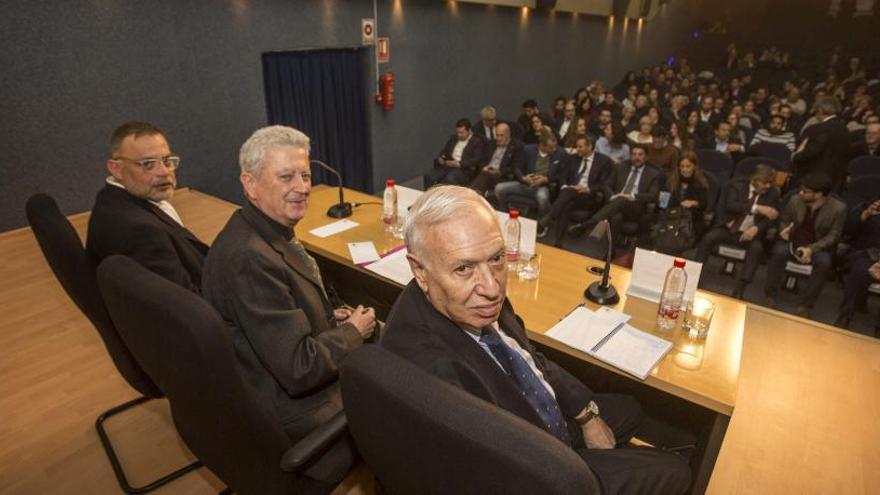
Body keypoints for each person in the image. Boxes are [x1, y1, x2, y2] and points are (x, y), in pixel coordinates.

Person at [381, 185, 692, 495]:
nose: (492, 288)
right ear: (419, 271)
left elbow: (528, 356)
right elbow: (500, 474)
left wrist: (585, 414)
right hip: (535, 468)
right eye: (464, 268)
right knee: (675, 471)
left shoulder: (465, 301)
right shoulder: (432, 373)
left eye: (496, 258)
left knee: (632, 408)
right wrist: (579, 468)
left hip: (536, 418)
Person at [201, 126, 377, 488]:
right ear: (250, 185)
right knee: (405, 394)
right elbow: (299, 369)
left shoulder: (258, 232)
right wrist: (351, 332)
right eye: (286, 176)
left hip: (266, 380)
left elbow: (284, 313)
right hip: (295, 414)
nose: (302, 186)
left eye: (306, 174)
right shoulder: (251, 259)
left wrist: (328, 319)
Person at [87, 121, 209, 294]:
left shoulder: (109, 199)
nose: (164, 172)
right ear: (116, 169)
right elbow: (186, 303)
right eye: (148, 164)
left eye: (167, 161)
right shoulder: (140, 232)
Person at [763, 173, 847, 317]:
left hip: (818, 245)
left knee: (824, 263)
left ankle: (806, 305)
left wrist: (811, 249)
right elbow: (784, 220)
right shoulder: (795, 200)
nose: (800, 193)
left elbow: (834, 235)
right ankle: (769, 295)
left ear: (819, 194)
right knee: (779, 252)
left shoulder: (839, 208)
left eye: (805, 191)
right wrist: (784, 229)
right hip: (793, 241)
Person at [693, 164, 780, 299]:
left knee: (757, 249)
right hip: (728, 228)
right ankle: (694, 277)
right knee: (708, 238)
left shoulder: (773, 193)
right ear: (755, 180)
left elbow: (771, 218)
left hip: (749, 232)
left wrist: (757, 229)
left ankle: (740, 288)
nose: (768, 186)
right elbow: (731, 205)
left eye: (770, 183)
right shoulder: (735, 186)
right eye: (765, 182)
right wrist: (757, 208)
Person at [568, 144, 662, 247]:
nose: (637, 157)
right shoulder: (621, 167)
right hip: (616, 205)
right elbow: (607, 185)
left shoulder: (654, 173)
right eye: (634, 154)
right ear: (630, 156)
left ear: (646, 157)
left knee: (621, 199)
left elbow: (653, 195)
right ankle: (610, 252)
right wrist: (613, 196)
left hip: (635, 208)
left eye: (640, 155)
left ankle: (588, 224)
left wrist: (631, 196)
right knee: (616, 217)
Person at [539, 134, 613, 244]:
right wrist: (564, 186)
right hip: (570, 194)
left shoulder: (603, 161)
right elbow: (563, 176)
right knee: (566, 204)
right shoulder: (573, 158)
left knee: (567, 195)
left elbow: (604, 184)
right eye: (576, 146)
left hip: (589, 196)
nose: (577, 149)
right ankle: (558, 242)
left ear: (590, 146)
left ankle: (548, 218)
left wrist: (588, 189)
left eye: (580, 147)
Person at [495, 131, 565, 221]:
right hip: (525, 183)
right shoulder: (528, 150)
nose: (554, 149)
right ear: (542, 145)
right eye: (551, 147)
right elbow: (516, 167)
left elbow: (561, 175)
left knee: (542, 198)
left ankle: (542, 223)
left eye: (555, 146)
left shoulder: (560, 154)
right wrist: (523, 178)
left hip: (542, 186)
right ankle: (505, 215)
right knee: (499, 188)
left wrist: (546, 179)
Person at [835, 196, 880, 334]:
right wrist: (864, 216)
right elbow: (847, 232)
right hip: (866, 254)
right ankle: (845, 315)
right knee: (859, 271)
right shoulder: (866, 207)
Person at [792, 96, 851, 190]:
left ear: (821, 110)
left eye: (816, 110)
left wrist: (796, 157)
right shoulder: (844, 129)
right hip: (836, 178)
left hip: (817, 179)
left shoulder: (822, 128)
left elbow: (812, 151)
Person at [425, 118, 484, 188]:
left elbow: (476, 159)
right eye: (458, 132)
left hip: (463, 169)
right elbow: (444, 150)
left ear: (469, 131)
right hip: (448, 164)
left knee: (450, 178)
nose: (459, 135)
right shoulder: (453, 138)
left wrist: (459, 164)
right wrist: (440, 157)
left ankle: (446, 198)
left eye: (462, 132)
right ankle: (428, 196)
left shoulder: (477, 142)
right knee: (429, 175)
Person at [663, 152, 709, 238]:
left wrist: (694, 203)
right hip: (672, 216)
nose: (684, 170)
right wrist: (662, 199)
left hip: (691, 219)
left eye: (688, 166)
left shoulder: (700, 184)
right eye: (682, 166)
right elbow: (664, 203)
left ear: (694, 167)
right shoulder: (671, 182)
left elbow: (704, 205)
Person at [470, 123, 524, 197]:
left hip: (503, 176)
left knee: (485, 175)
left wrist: (499, 171)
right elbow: (482, 160)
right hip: (487, 172)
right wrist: (484, 167)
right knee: (485, 174)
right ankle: (474, 195)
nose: (498, 138)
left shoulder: (517, 147)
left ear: (508, 134)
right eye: (497, 135)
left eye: (501, 136)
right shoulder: (491, 143)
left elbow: (515, 167)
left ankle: (471, 195)